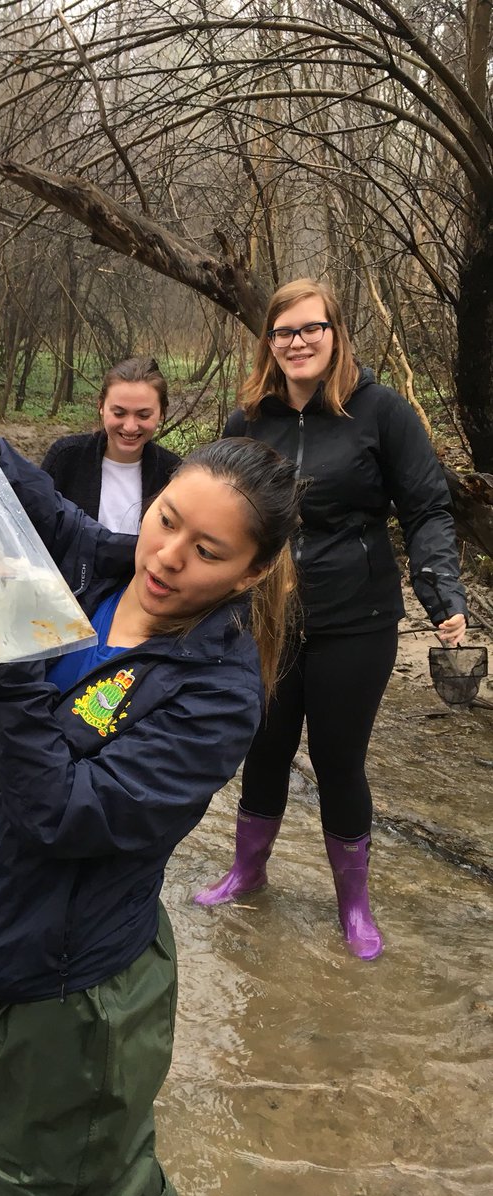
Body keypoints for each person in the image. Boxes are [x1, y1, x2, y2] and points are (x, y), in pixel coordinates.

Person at [0, 239, 304, 1196]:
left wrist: (6, 644)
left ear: (251, 575)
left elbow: (65, 813)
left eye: (207, 550)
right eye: (168, 518)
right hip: (28, 958)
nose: (168, 555)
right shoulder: (98, 564)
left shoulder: (218, 696)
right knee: (97, 1175)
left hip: (79, 993)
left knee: (48, 1185)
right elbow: (1, 474)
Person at [194, 278, 468, 961]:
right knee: (263, 746)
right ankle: (246, 871)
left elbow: (428, 507)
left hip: (359, 616)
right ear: (270, 343)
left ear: (335, 333)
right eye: (284, 332)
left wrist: (442, 593)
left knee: (338, 760)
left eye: (311, 329)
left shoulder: (382, 413)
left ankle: (354, 907)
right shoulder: (248, 422)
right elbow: (218, 516)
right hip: (267, 618)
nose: (298, 342)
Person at [41, 359, 181, 533]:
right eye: (119, 413)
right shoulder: (66, 457)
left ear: (162, 413)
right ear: (101, 407)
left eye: (143, 415)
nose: (130, 426)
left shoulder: (173, 473)